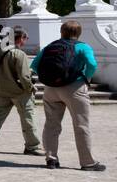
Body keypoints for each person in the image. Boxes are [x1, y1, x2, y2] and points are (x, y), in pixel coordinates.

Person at [31, 20, 104, 171]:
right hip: (74, 87)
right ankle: (87, 162)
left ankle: (51, 159)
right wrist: (86, 79)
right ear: (78, 33)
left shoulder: (50, 47)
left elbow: (34, 65)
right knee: (81, 125)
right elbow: (92, 64)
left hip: (51, 89)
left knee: (51, 124)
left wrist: (51, 78)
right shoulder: (83, 47)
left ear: (61, 32)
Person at [0, 28, 42, 155]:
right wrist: (30, 88)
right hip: (19, 92)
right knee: (28, 118)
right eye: (25, 38)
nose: (26, 41)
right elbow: (24, 77)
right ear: (20, 38)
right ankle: (32, 146)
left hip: (0, 91)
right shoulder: (19, 54)